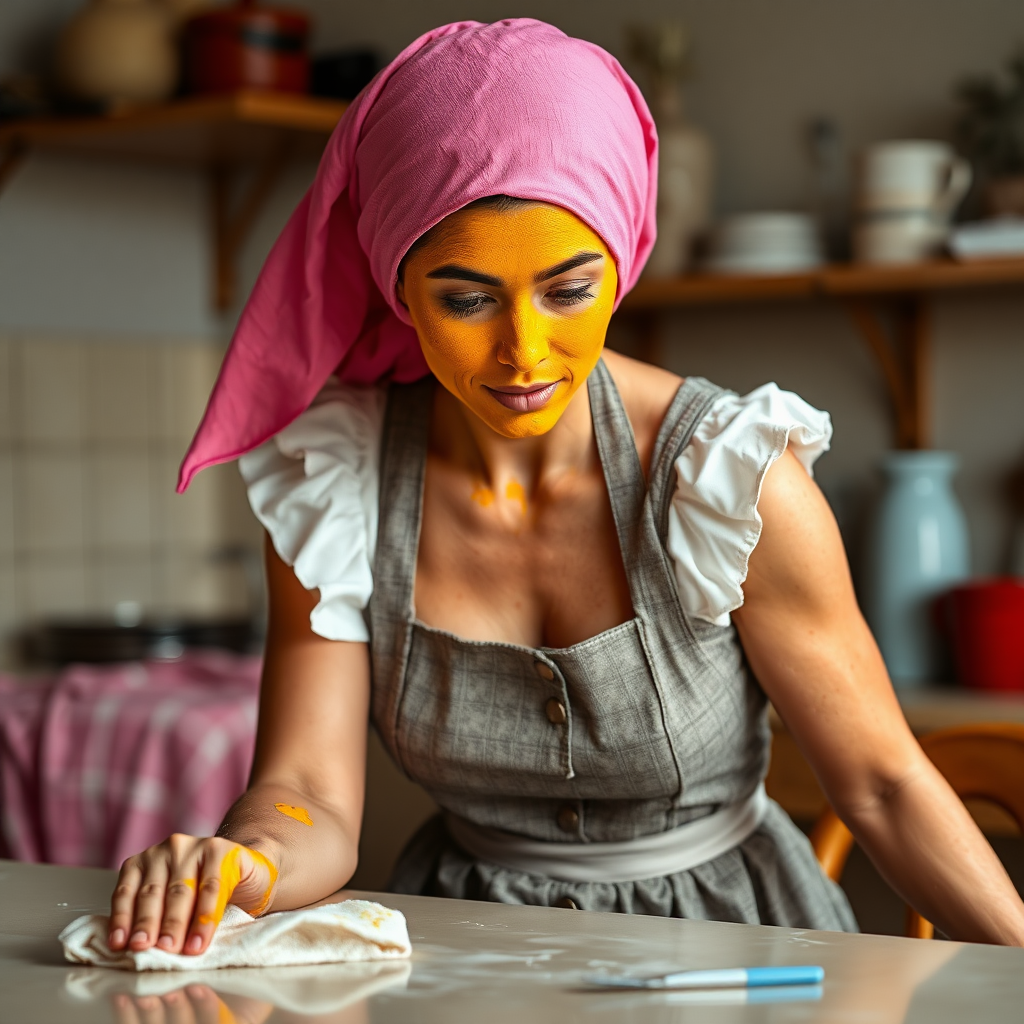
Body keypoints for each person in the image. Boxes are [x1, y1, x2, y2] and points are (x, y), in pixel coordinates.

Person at [108, 20, 1024, 957]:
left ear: (621, 264)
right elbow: (307, 792)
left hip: (738, 958)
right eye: (465, 299)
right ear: (396, 287)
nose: (524, 353)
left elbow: (882, 786)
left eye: (568, 290)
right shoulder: (338, 486)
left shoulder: (728, 480)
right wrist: (244, 862)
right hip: (468, 960)